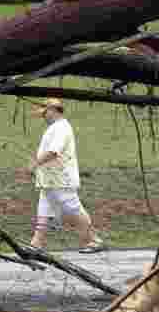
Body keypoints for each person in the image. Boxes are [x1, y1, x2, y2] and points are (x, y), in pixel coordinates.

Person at [26, 98, 105, 253]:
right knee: (43, 211)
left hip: (60, 179)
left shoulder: (61, 128)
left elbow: (54, 151)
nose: (43, 117)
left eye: (45, 113)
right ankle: (36, 245)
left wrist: (35, 163)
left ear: (53, 110)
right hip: (49, 180)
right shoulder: (55, 128)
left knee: (73, 208)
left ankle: (95, 240)